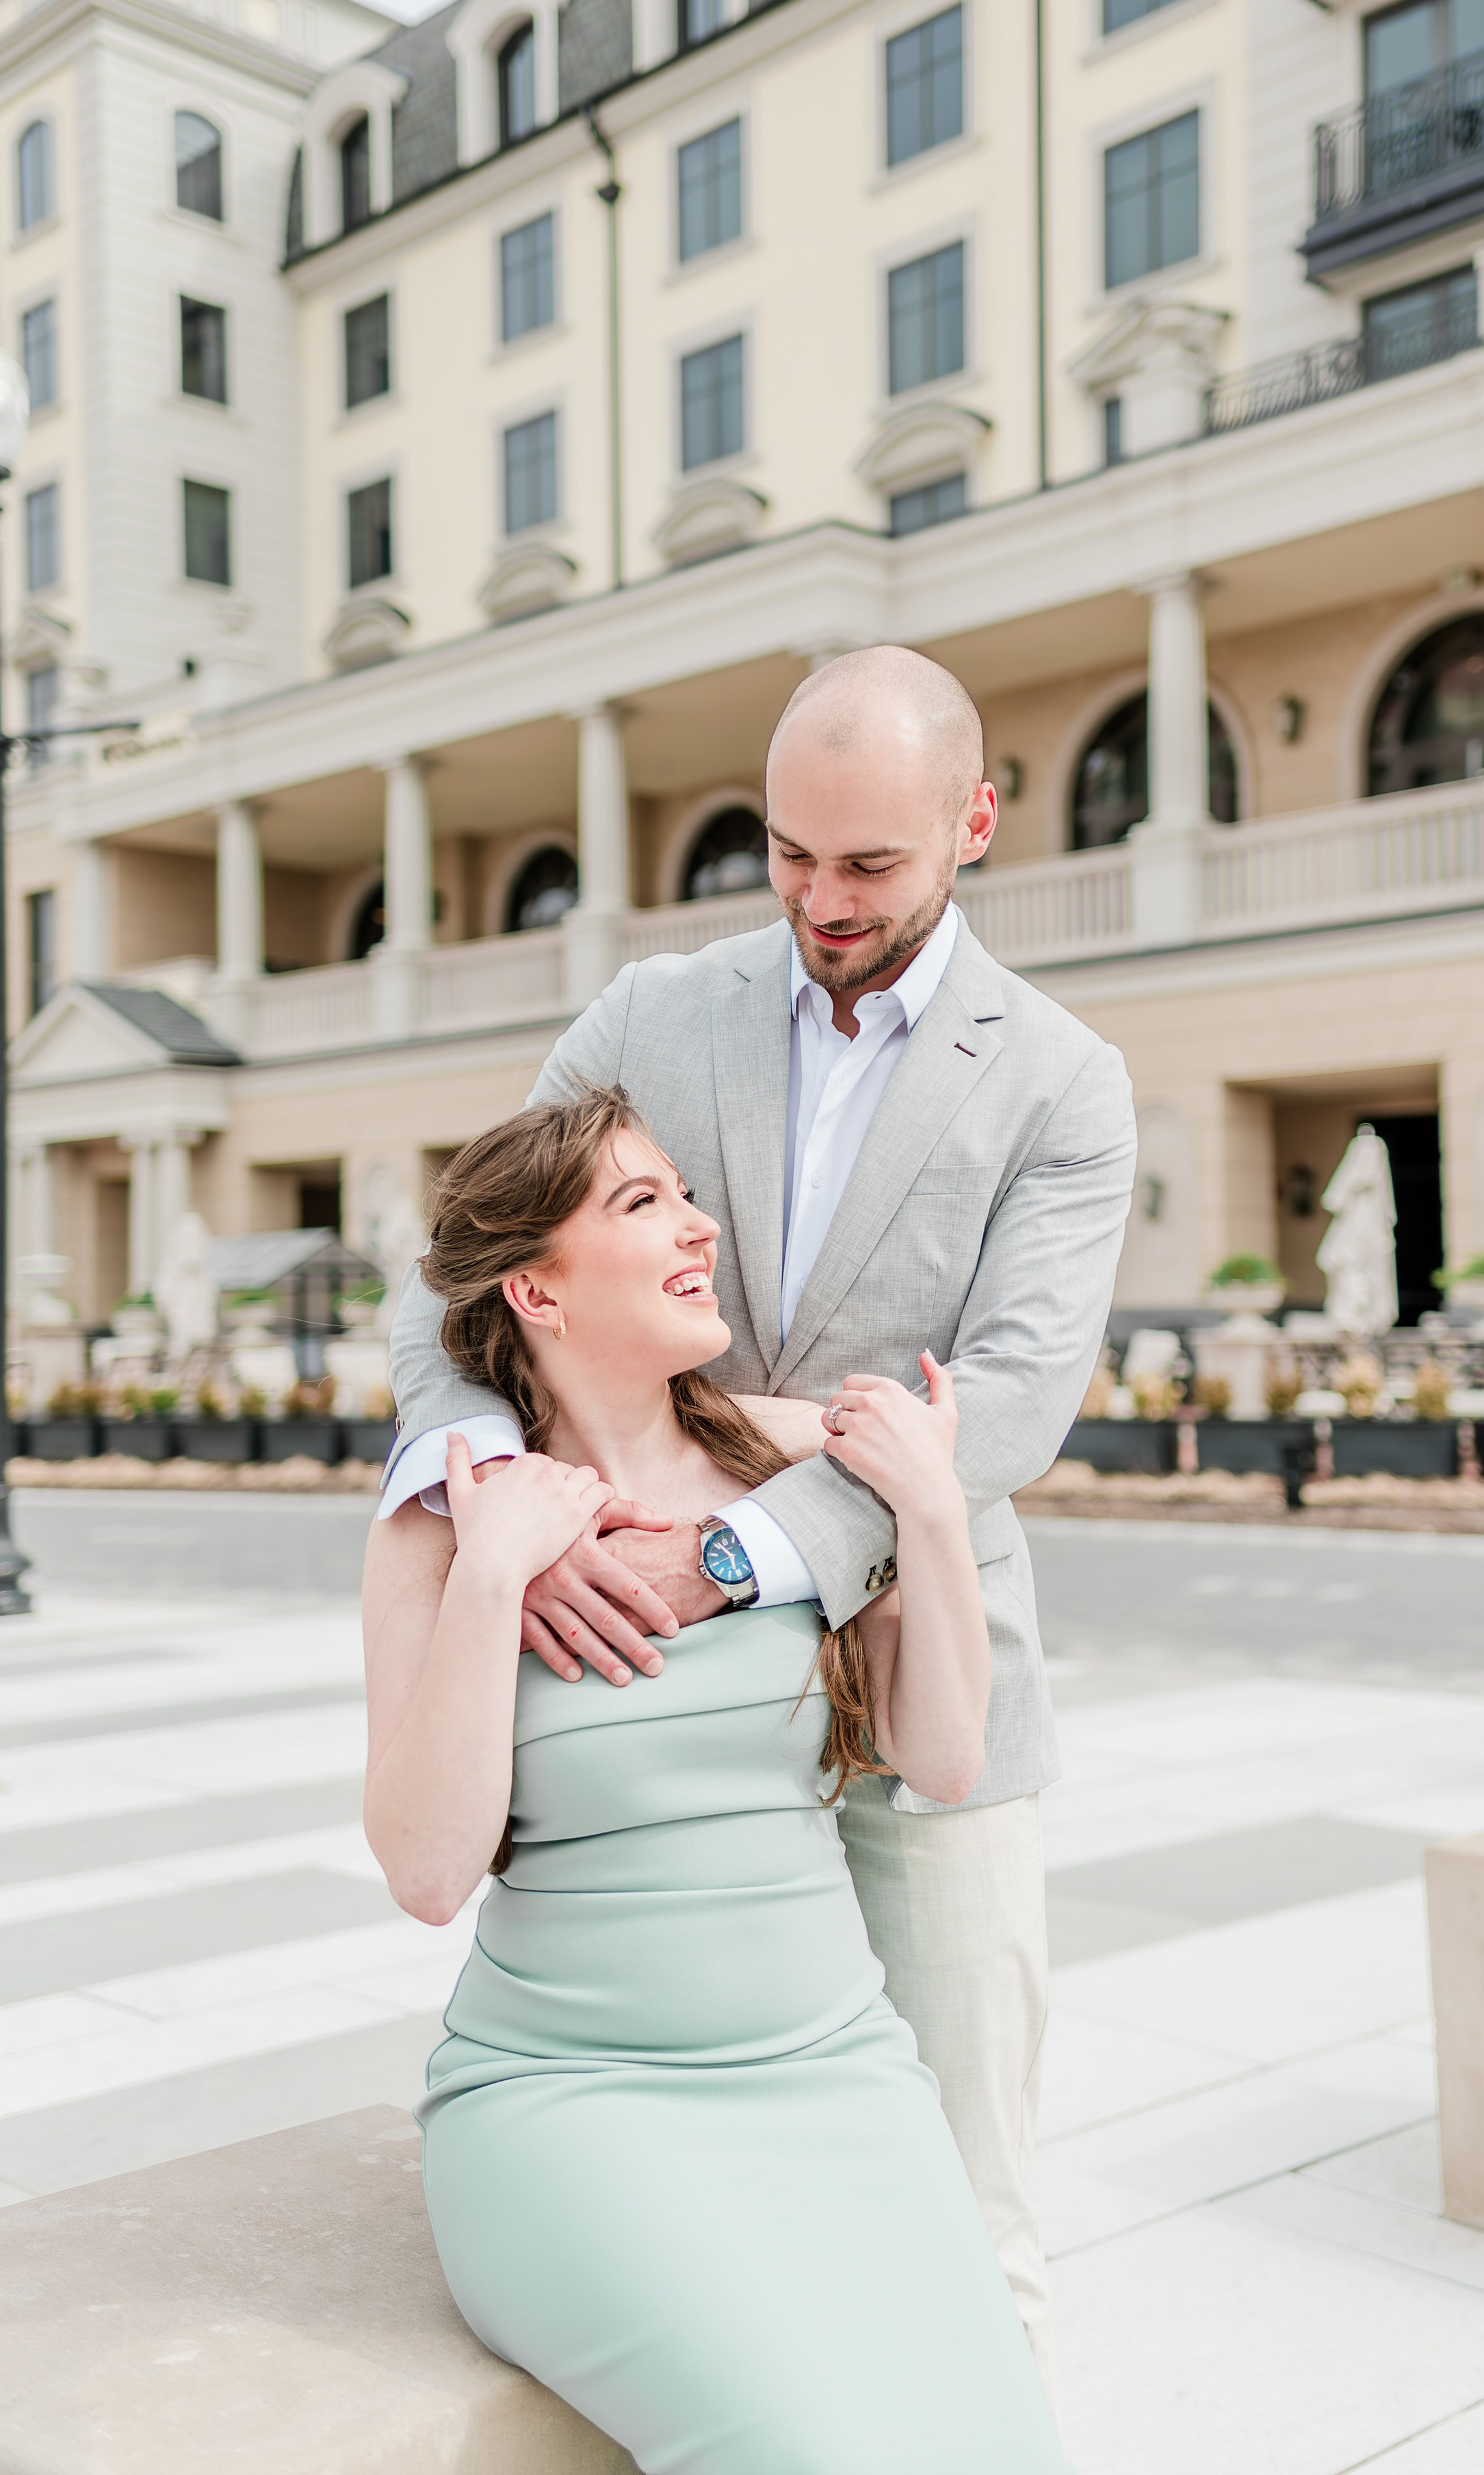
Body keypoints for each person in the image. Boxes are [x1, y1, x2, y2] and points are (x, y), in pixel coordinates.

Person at [382, 643, 1137, 2382]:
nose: (820, 898)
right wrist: (503, 1488)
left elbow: (1003, 1411)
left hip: (916, 1677)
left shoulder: (1061, 1080)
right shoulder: (655, 1013)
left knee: (961, 2199)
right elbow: (458, 1274)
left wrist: (729, 1553)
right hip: (670, 1726)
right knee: (739, 2224)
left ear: (973, 825)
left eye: (867, 863)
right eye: (789, 854)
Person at [364, 1088, 1067, 2473]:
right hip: (576, 2109)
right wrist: (497, 1565)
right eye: (642, 1203)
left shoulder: (794, 1456)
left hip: (837, 2082)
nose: (700, 1227)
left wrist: (927, 1505)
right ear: (535, 1288)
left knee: (999, 2446)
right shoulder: (447, 1521)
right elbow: (429, 1871)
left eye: (685, 1192)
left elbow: (941, 1755)